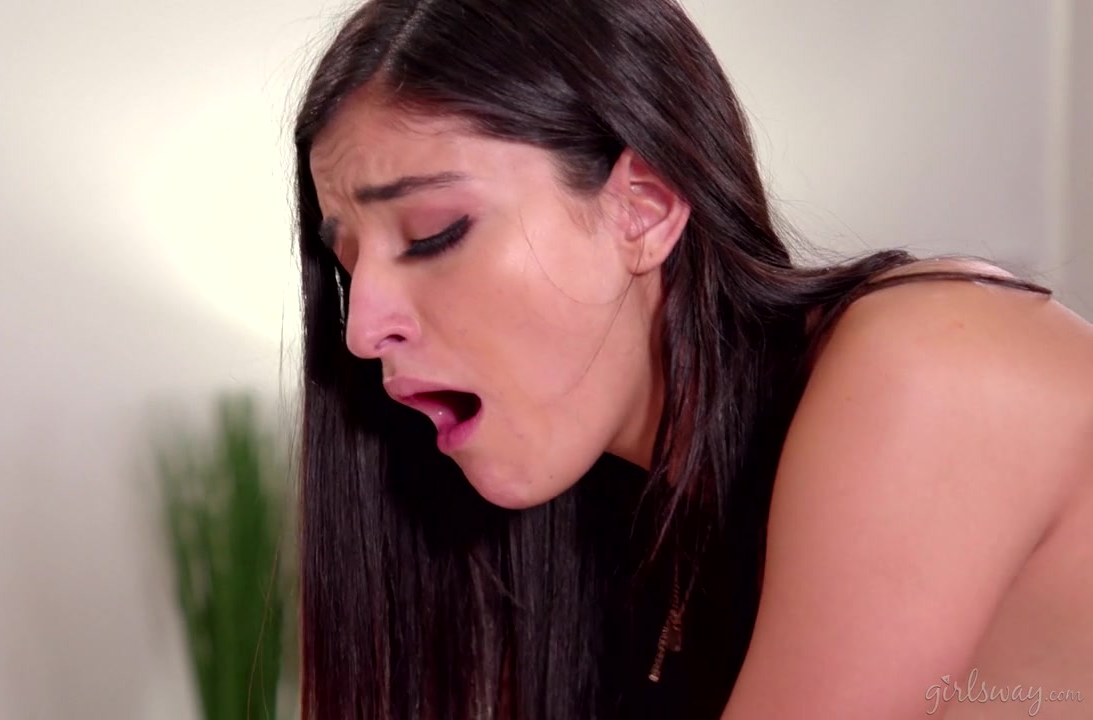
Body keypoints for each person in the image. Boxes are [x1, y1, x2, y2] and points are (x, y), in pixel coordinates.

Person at [290, 1, 1093, 717]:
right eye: (349, 267)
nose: (364, 330)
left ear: (643, 208)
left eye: (435, 233)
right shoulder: (624, 540)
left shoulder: (934, 362)